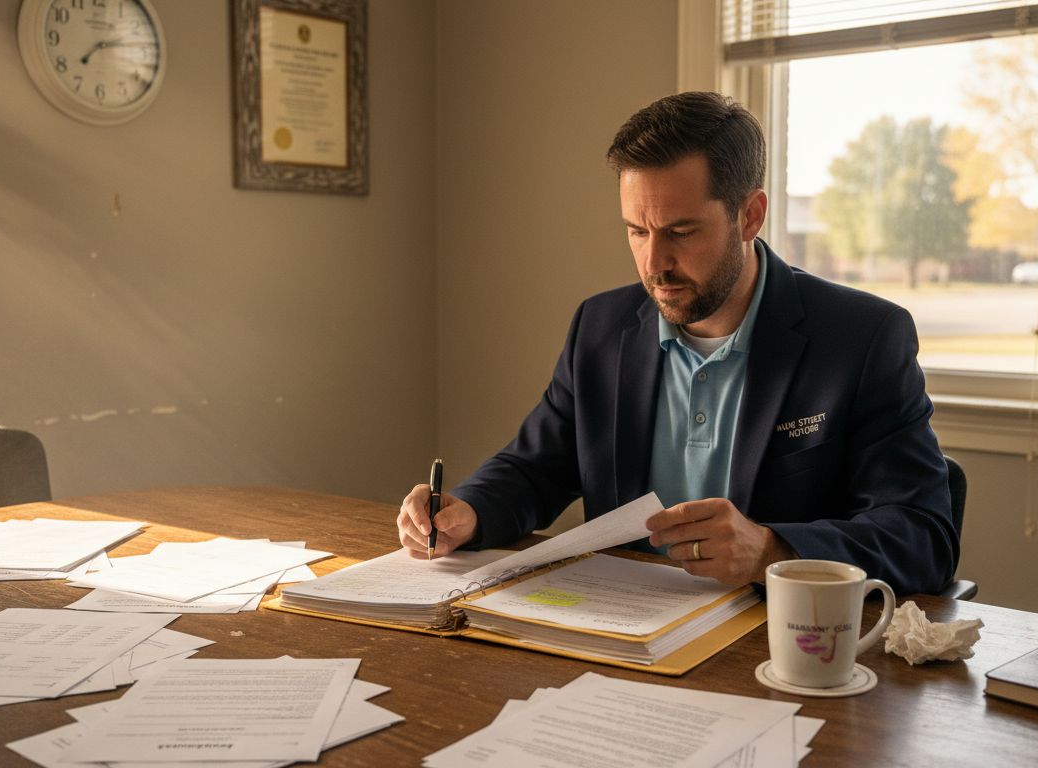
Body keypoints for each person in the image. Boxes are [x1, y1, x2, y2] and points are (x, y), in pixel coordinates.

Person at [397, 92, 956, 596]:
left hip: (774, 642)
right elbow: (535, 467)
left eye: (681, 233)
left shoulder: (862, 338)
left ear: (750, 216)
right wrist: (469, 510)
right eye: (637, 231)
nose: (654, 262)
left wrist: (771, 551)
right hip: (620, 633)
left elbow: (923, 537)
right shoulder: (601, 326)